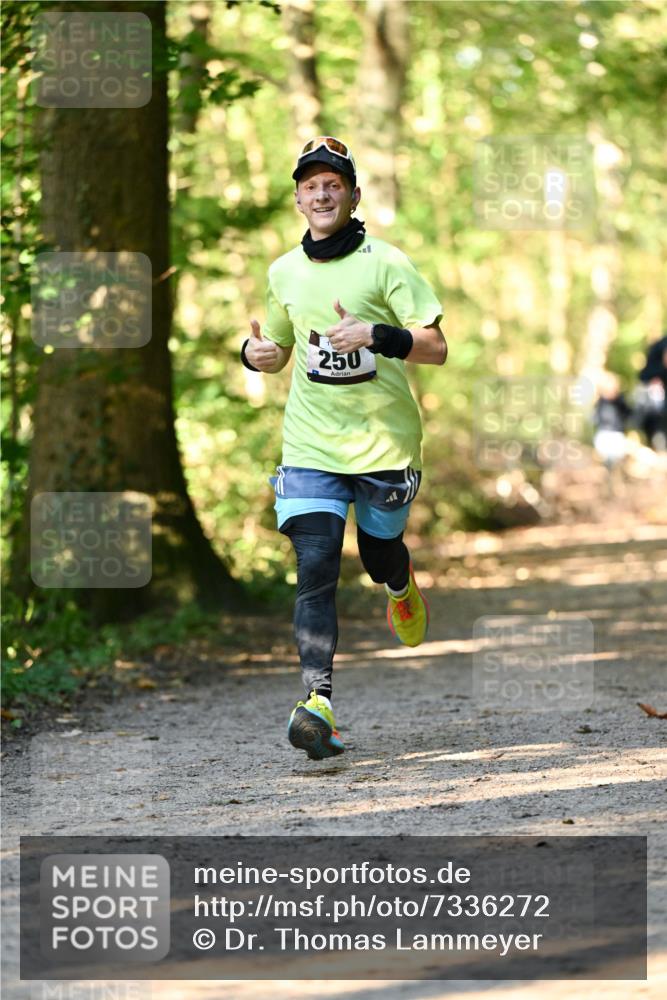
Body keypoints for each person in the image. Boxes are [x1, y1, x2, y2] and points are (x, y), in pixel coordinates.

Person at [242, 136, 446, 760]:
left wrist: (376, 334)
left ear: (353, 196)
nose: (322, 193)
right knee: (316, 563)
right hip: (310, 444)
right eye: (310, 185)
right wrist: (255, 356)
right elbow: (276, 351)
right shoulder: (283, 271)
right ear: (299, 198)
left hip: (384, 442)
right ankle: (317, 702)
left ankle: (400, 583)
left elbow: (435, 346)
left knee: (377, 551)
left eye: (334, 184)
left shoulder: (387, 263)